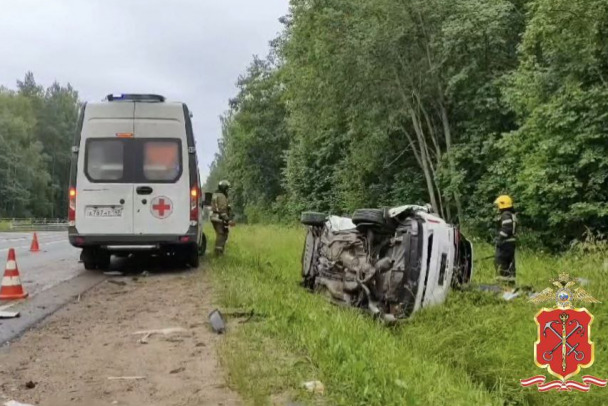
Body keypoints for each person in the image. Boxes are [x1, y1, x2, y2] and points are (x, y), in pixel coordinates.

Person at [494, 195, 517, 286]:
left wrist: (499, 239)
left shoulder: (505, 215)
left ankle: (502, 285)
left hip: (505, 243)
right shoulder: (511, 214)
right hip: (510, 243)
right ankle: (510, 284)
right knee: (510, 265)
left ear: (502, 205)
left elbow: (506, 229)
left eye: (498, 205)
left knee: (501, 263)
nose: (497, 208)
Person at [211, 180, 233, 255]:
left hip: (214, 217)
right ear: (224, 188)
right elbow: (222, 209)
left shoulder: (215, 194)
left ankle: (218, 251)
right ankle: (218, 253)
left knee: (221, 233)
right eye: (227, 189)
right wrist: (228, 219)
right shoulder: (222, 196)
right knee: (222, 234)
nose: (227, 191)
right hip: (219, 218)